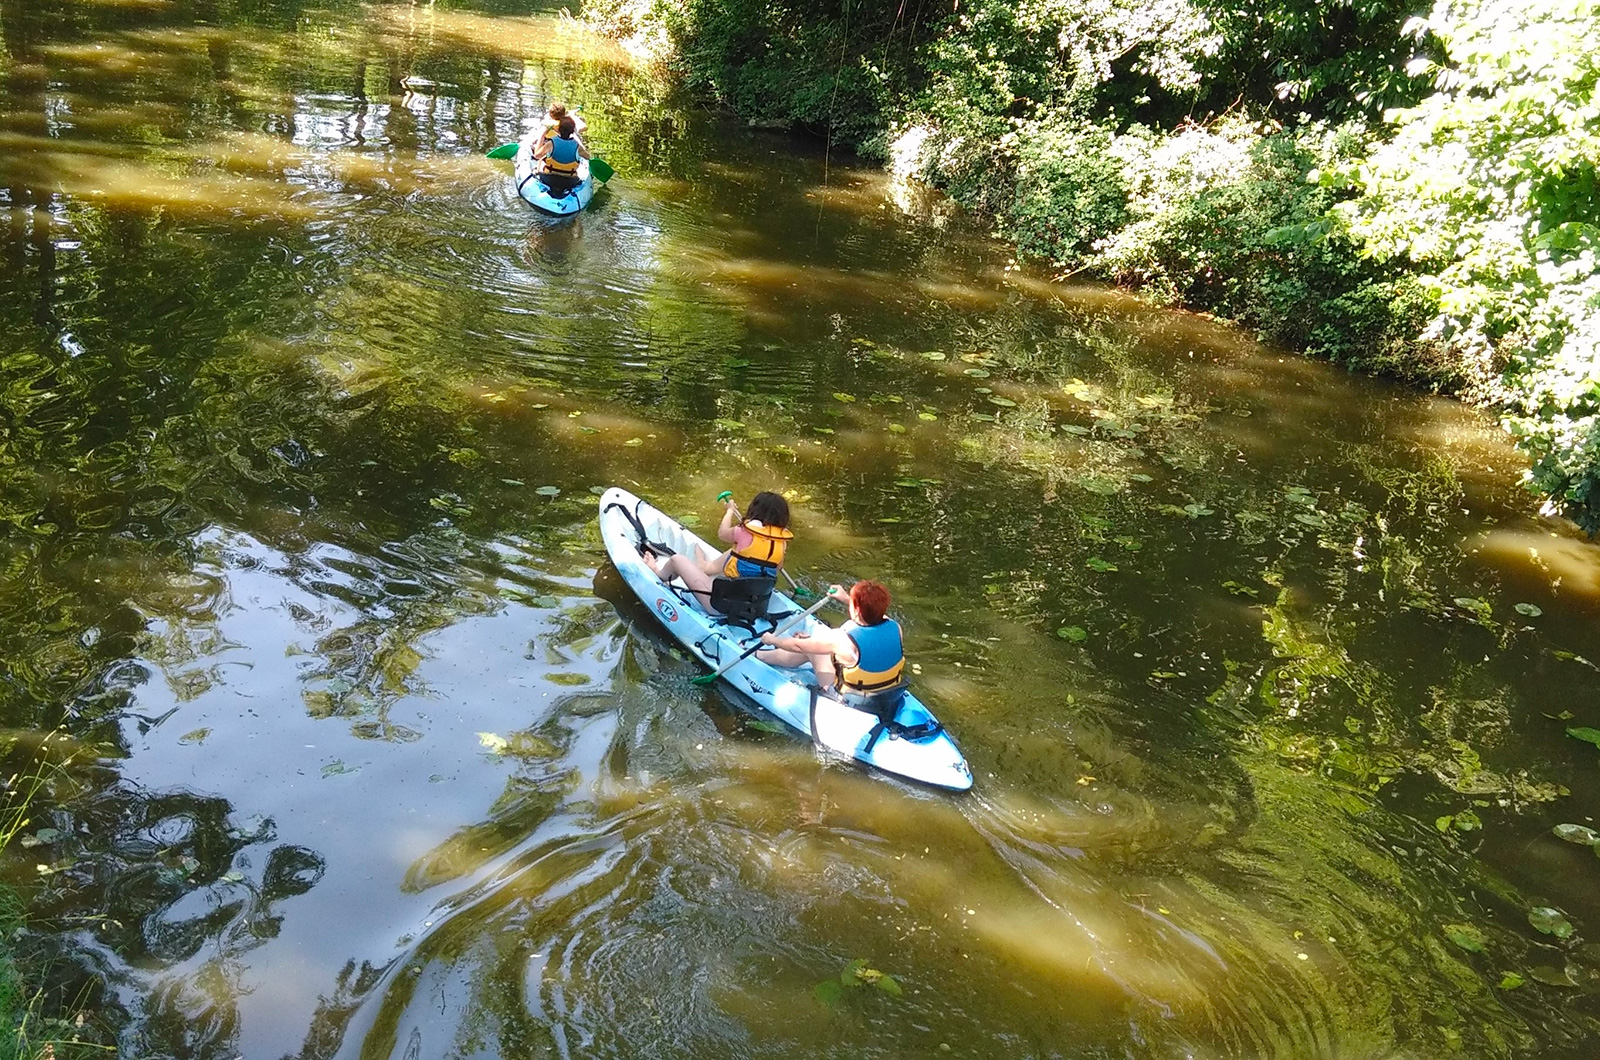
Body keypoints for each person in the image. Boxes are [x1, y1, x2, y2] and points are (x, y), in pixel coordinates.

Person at [758, 580, 904, 698]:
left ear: (857, 610)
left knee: (812, 650)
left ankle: (760, 655)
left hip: (850, 699)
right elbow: (873, 613)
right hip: (886, 692)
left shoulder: (841, 639)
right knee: (819, 644)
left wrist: (772, 640)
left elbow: (798, 646)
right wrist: (846, 598)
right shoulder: (896, 627)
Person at [644, 491, 793, 602]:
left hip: (720, 604)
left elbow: (722, 534)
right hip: (755, 605)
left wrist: (729, 511)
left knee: (677, 560)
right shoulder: (781, 542)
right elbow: (776, 568)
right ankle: (705, 567)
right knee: (743, 553)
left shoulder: (744, 531)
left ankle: (657, 572)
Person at [534, 114, 589, 192]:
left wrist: (542, 136)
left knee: (540, 162)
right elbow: (588, 157)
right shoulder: (578, 147)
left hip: (549, 179)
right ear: (573, 131)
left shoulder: (551, 143)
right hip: (570, 181)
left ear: (559, 129)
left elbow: (536, 155)